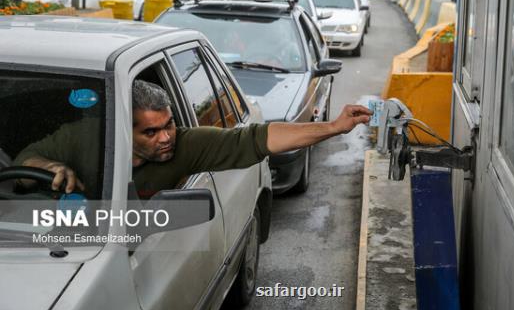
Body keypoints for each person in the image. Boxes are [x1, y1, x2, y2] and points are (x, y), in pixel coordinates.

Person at [15, 80, 372, 198]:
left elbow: (261, 138)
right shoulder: (83, 137)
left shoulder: (187, 144)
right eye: (151, 132)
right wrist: (48, 165)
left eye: (168, 125)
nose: (166, 137)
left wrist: (333, 127)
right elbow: (25, 159)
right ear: (123, 129)